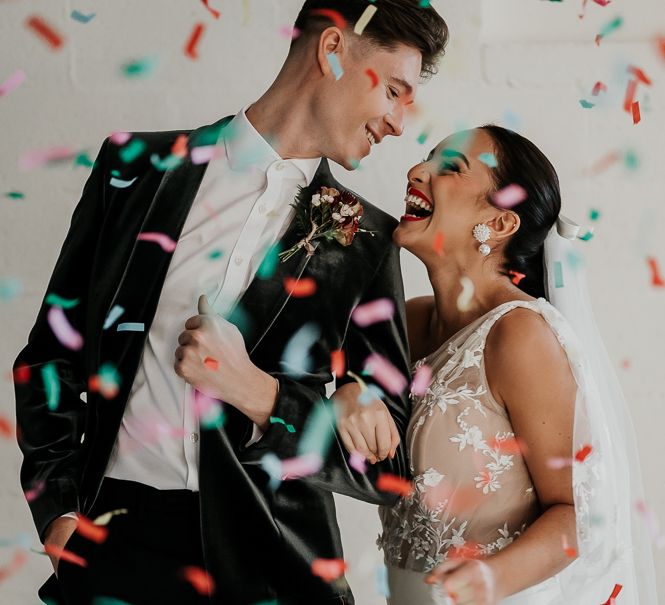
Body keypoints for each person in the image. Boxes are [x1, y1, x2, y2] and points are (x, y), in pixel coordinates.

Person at [13, 2, 449, 604]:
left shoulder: (366, 244)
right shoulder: (136, 170)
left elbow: (390, 465)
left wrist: (258, 392)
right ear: (331, 50)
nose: (401, 122)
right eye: (395, 91)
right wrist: (59, 512)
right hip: (112, 546)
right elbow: (50, 355)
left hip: (273, 563)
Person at [335, 125, 658, 603]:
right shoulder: (406, 321)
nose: (415, 172)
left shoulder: (519, 335)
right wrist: (346, 393)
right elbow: (340, 401)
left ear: (502, 223)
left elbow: (578, 513)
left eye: (450, 168)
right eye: (427, 159)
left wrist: (492, 579)